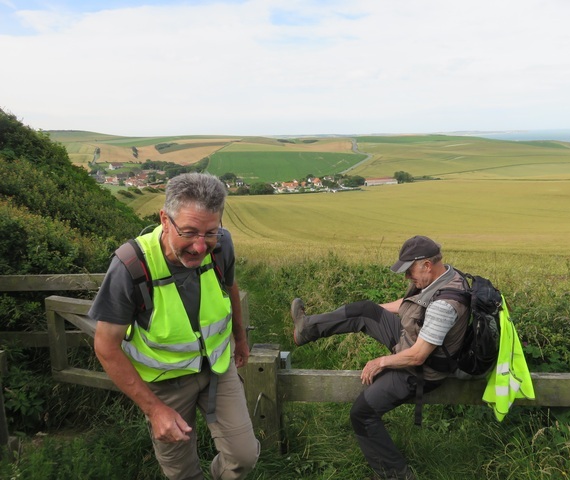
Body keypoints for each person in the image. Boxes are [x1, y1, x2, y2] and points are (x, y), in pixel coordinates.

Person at [91, 173, 259, 480]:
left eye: (210, 232)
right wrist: (154, 410)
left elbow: (230, 287)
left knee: (244, 456)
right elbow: (105, 345)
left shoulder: (221, 245)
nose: (199, 246)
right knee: (180, 472)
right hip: (164, 383)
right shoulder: (131, 265)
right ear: (165, 220)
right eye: (189, 232)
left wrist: (240, 338)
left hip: (217, 368)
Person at [290, 235, 470, 480]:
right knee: (365, 309)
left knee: (362, 413)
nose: (407, 277)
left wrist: (380, 362)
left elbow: (417, 356)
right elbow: (408, 305)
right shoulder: (445, 276)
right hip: (412, 339)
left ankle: (395, 474)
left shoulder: (445, 305)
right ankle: (306, 329)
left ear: (427, 265)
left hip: (422, 371)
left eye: (410, 271)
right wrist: (369, 313)